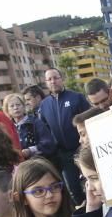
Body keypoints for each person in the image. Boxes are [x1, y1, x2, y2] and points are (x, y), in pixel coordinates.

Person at [39, 68, 90, 205]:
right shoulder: (44, 105)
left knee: (91, 180)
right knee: (73, 189)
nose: (53, 81)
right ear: (46, 83)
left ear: (62, 79)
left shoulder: (76, 97)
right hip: (63, 154)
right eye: (49, 79)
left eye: (55, 77)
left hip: (82, 148)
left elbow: (88, 120)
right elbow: (44, 130)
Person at [3, 92, 56, 161]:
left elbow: (48, 143)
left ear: (24, 106)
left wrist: (30, 150)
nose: (16, 108)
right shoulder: (7, 127)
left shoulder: (35, 122)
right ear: (7, 110)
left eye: (18, 105)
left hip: (40, 162)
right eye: (12, 106)